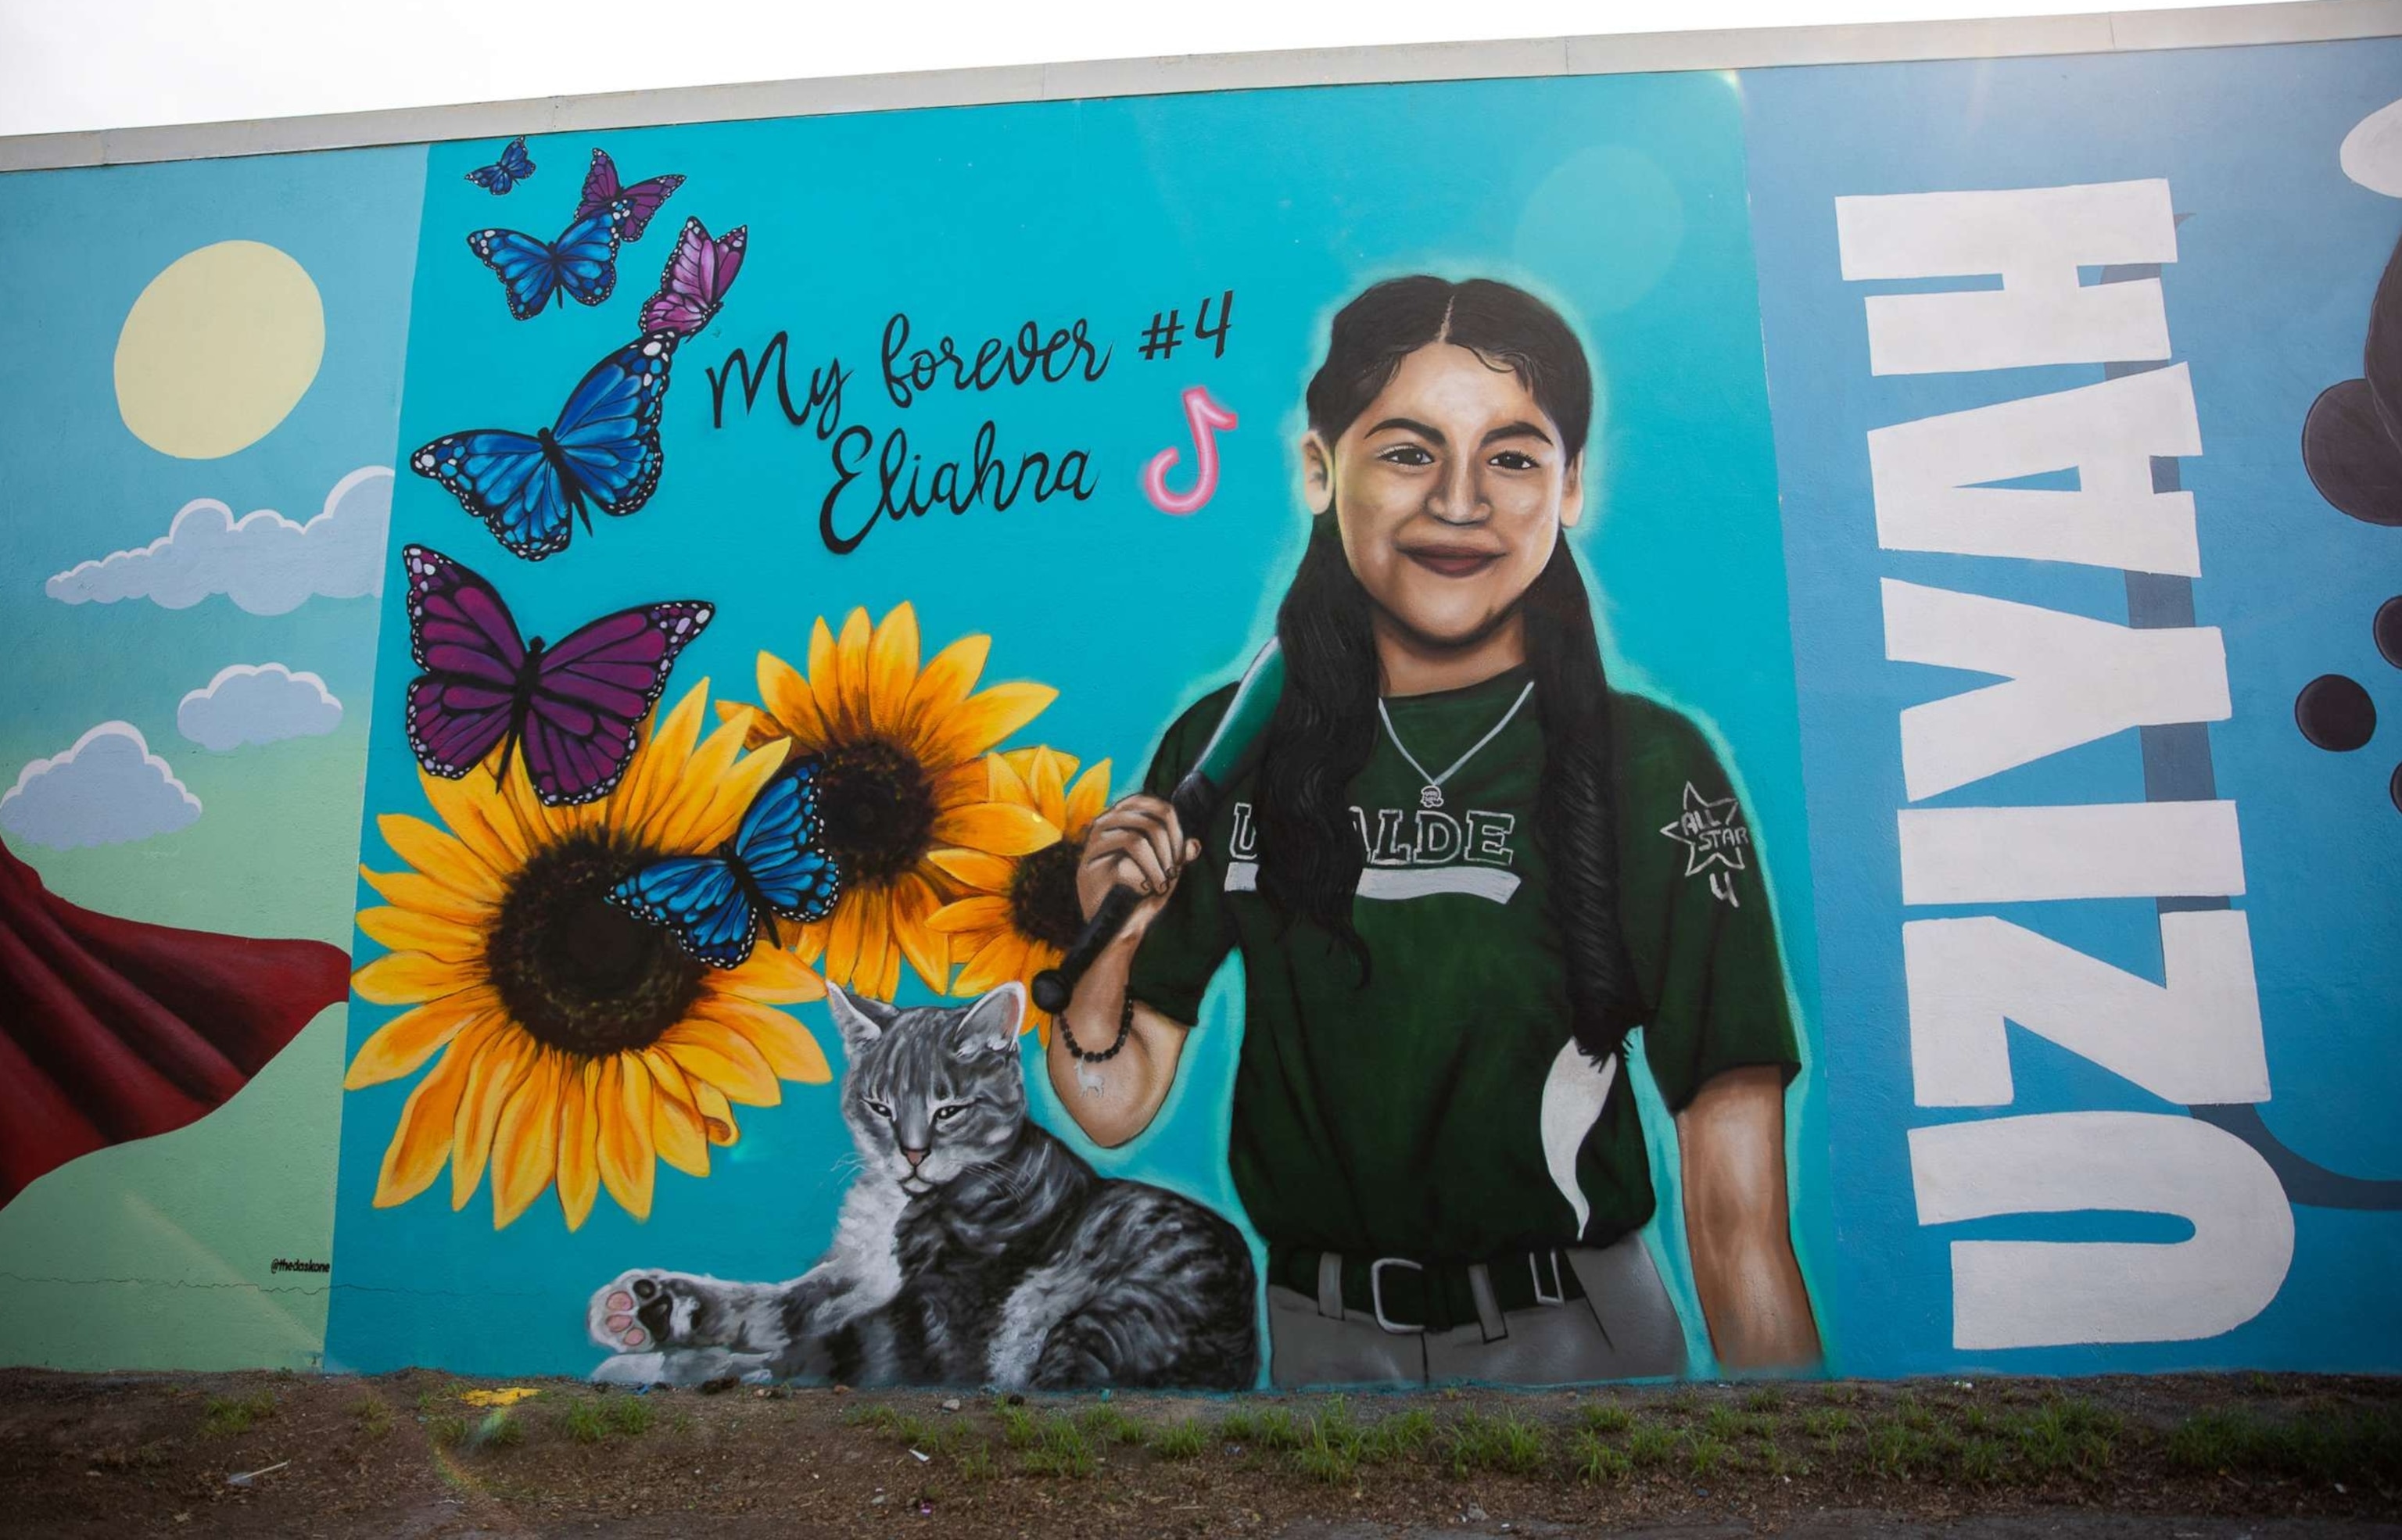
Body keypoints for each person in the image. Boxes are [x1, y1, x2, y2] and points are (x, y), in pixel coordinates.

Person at [1050, 275, 1819, 1386]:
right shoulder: (1224, 753)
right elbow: (1112, 1101)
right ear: (1321, 469)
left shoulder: (1649, 767)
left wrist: (1793, 1475)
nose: (1462, 501)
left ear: (1571, 488)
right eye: (1409, 451)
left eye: (1513, 456)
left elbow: (1738, 1211)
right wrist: (1108, 946)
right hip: (1321, 1343)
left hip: (1576, 1342)